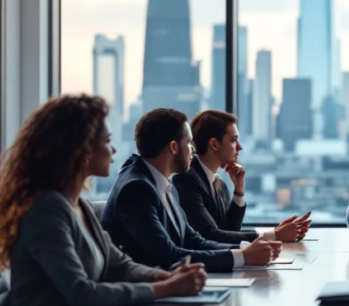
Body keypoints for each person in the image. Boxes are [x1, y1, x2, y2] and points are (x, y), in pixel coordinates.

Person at [0, 95, 206, 306]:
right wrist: (168, 288)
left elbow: (119, 266)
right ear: (81, 150)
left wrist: (167, 277)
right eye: (108, 141)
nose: (114, 149)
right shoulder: (46, 210)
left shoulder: (79, 205)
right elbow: (82, 294)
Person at [101, 108, 281, 273]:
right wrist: (243, 256)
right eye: (188, 142)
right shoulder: (136, 189)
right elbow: (169, 257)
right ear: (173, 147)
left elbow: (193, 240)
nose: (193, 150)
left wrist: (244, 250)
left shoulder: (161, 182)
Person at [173, 110, 312, 244]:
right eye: (234, 141)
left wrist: (238, 191)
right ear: (214, 144)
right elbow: (210, 235)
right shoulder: (186, 180)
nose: (240, 147)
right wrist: (275, 235)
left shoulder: (218, 182)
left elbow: (230, 230)